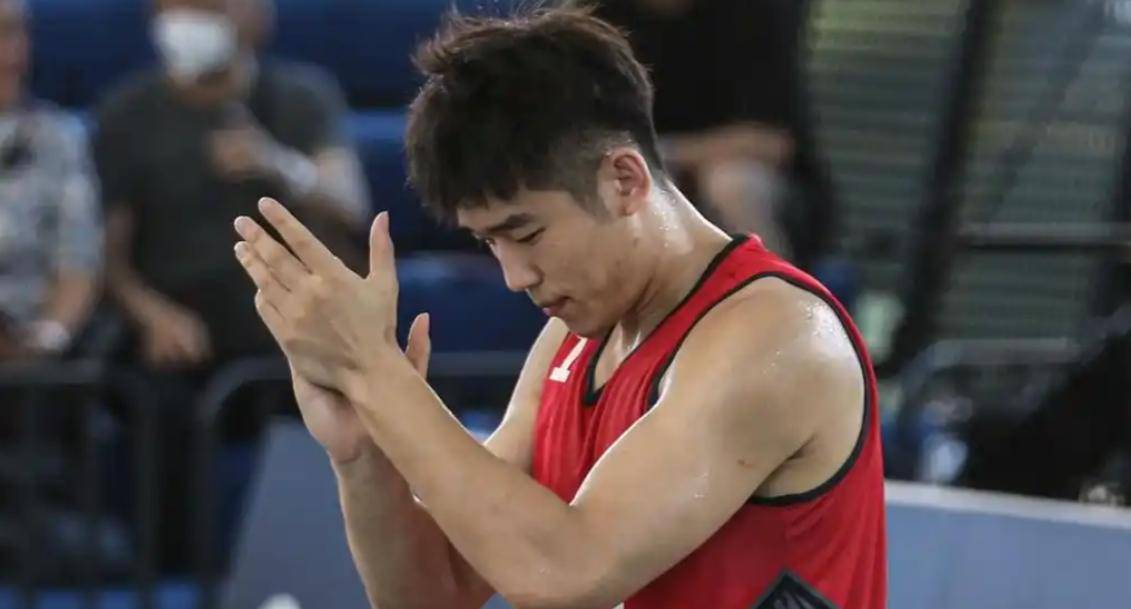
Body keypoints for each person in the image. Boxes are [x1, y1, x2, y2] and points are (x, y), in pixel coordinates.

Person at [233, 7, 885, 609]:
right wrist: (364, 452)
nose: (514, 276)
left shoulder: (775, 338)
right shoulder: (570, 343)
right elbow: (433, 596)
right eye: (490, 243)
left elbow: (568, 573)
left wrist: (378, 373)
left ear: (624, 179)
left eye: (526, 233)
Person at [91, 0, 369, 572]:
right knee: (152, 398)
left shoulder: (299, 96)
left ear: (253, 15)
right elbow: (107, 259)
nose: (189, 18)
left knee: (358, 385)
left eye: (210, 5)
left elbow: (350, 204)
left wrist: (277, 163)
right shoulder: (126, 114)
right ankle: (171, 576)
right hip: (180, 335)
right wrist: (151, 314)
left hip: (286, 327)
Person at [589, 0, 838, 271]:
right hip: (646, 168)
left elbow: (773, 142)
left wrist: (667, 154)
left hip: (758, 181)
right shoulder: (597, 18)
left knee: (732, 184)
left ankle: (775, 292)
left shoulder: (756, 14)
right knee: (629, 186)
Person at [0, 0, 101, 362]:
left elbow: (78, 261)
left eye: (14, 32)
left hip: (30, 356)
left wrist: (49, 338)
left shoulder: (61, 139)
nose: (9, 52)